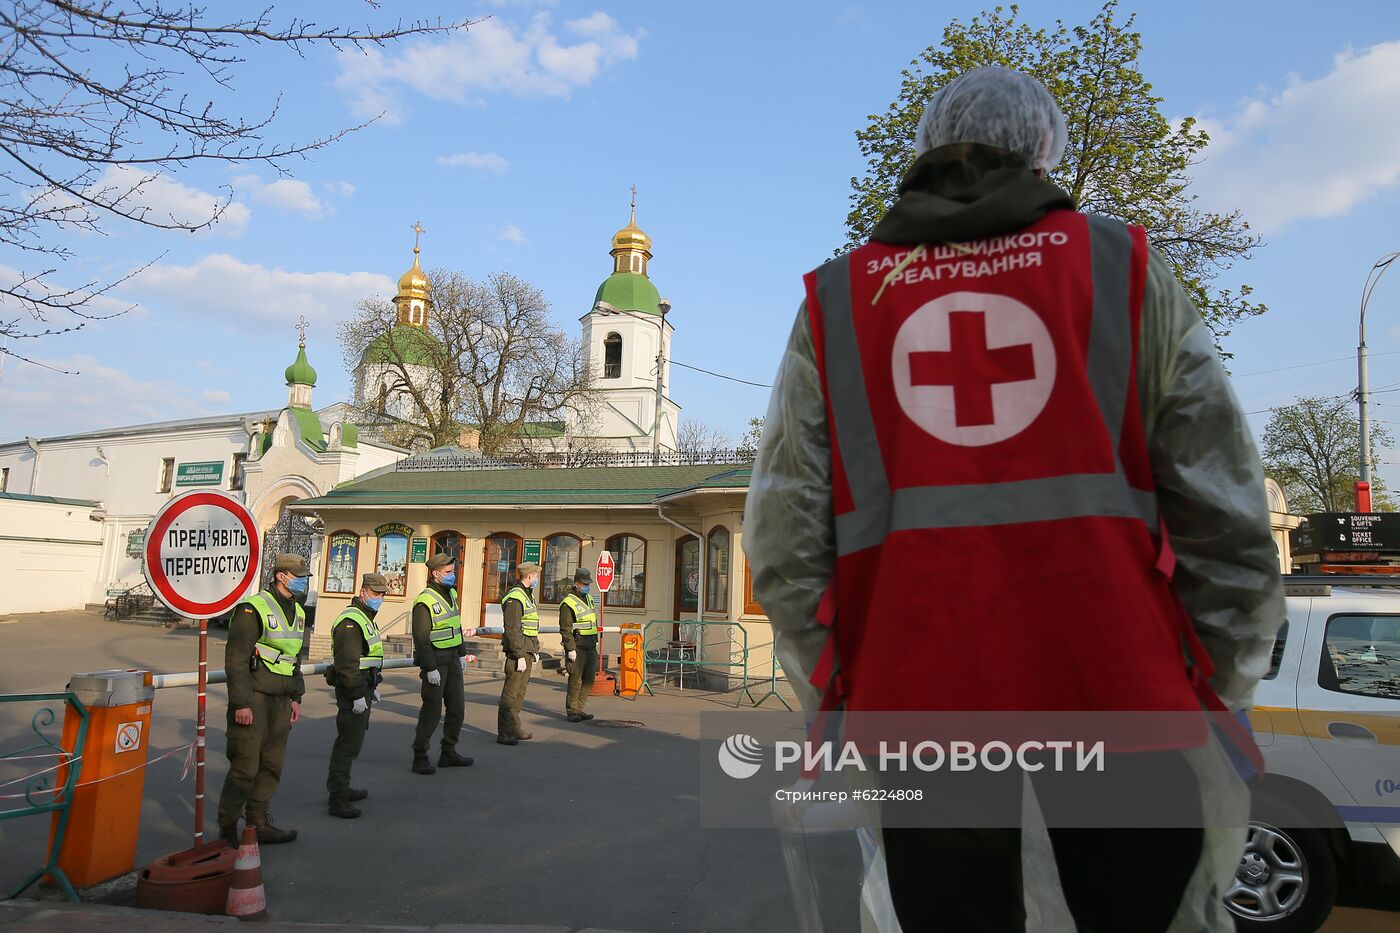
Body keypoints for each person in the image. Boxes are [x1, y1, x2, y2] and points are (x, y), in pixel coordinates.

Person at [743, 66, 1284, 932]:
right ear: (1043, 148)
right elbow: (1225, 511)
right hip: (1119, 689)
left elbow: (784, 542)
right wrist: (1220, 680)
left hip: (920, 704)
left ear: (928, 147)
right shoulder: (1122, 267)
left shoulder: (841, 302)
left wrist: (838, 692)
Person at [217, 553, 310, 847]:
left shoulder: (298, 611)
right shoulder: (252, 608)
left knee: (271, 765)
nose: (303, 581)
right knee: (245, 767)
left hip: (282, 698)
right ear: (281, 576)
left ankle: (257, 822)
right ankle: (227, 830)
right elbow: (236, 659)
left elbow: (294, 658)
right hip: (254, 697)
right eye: (298, 576)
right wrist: (241, 703)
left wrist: (296, 696)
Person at [325, 572, 389, 819]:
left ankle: (343, 787)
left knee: (353, 742)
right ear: (363, 592)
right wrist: (357, 695)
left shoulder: (364, 618)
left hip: (363, 687)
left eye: (382, 594)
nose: (379, 598)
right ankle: (337, 798)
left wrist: (373, 686)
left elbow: (367, 659)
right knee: (347, 744)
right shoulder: (351, 622)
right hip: (353, 691)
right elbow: (347, 665)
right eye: (375, 593)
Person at [410, 553, 477, 774]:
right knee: (432, 711)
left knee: (457, 708)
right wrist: (429, 668)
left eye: (453, 571)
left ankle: (448, 751)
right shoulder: (424, 600)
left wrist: (462, 653)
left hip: (452, 659)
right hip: (436, 662)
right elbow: (421, 638)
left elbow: (456, 625)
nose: (452, 575)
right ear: (435, 574)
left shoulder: (452, 594)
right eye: (448, 572)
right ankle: (420, 756)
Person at [497, 561, 542, 745]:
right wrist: (519, 655)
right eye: (536, 575)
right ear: (530, 576)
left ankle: (514, 728)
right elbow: (513, 629)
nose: (537, 578)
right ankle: (504, 732)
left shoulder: (527, 595)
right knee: (510, 693)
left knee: (520, 692)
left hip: (527, 649)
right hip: (518, 651)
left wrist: (535, 649)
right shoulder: (515, 597)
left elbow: (531, 625)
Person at [558, 567, 599, 722]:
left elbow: (592, 621)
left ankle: (580, 708)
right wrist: (570, 649)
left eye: (588, 584)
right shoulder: (568, 602)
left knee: (589, 679)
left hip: (590, 645)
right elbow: (565, 628)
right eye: (584, 584)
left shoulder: (589, 599)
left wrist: (595, 639)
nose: (587, 586)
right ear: (576, 584)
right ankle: (572, 710)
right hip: (577, 646)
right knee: (575, 679)